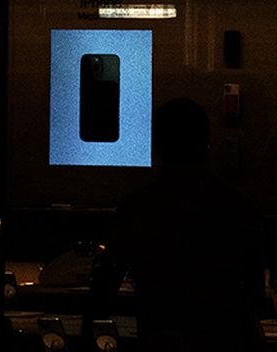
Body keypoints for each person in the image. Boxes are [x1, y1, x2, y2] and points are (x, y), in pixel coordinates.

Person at [106, 98, 268, 350]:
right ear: (206, 142)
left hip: (159, 338)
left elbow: (108, 283)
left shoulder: (137, 208)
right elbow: (255, 290)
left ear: (158, 144)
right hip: (224, 339)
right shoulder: (238, 205)